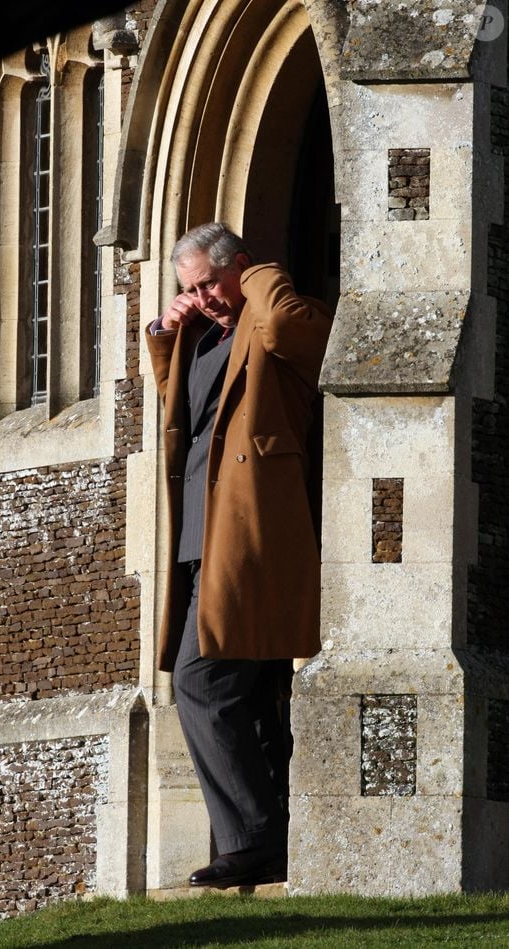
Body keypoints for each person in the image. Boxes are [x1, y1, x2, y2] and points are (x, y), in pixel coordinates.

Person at [146, 221, 332, 888]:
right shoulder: (205, 336)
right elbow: (183, 417)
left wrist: (260, 276)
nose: (203, 297)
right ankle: (270, 837)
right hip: (198, 539)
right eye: (189, 289)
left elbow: (288, 330)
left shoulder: (275, 314)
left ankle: (251, 839)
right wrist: (170, 339)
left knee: (202, 679)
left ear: (241, 267)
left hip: (248, 535)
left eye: (210, 283)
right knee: (247, 690)